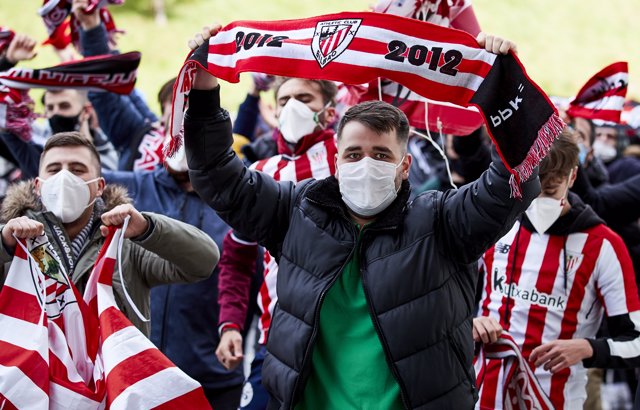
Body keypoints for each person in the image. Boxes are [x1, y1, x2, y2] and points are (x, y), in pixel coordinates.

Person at [184, 24, 539, 408]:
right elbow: (217, 175)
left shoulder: (441, 222)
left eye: (381, 155)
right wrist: (204, 88)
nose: (365, 164)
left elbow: (510, 186)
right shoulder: (295, 212)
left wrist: (505, 95)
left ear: (404, 166)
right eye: (353, 154)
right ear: (335, 161)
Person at [474, 132, 640, 409]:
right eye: (533, 190)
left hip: (557, 399)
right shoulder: (495, 225)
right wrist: (470, 323)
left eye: (550, 190)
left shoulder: (604, 245)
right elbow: (449, 302)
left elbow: (636, 341)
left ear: (572, 177)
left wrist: (589, 348)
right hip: (482, 395)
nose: (539, 200)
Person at [0, 131, 219, 335]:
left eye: (77, 170)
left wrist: (147, 228)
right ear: (38, 186)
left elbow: (204, 260)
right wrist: (4, 244)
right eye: (54, 170)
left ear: (99, 186)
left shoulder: (126, 242)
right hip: (35, 374)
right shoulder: (15, 240)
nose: (65, 178)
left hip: (111, 374)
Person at [215, 76, 338, 409]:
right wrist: (230, 325)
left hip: (345, 342)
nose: (293, 107)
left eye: (304, 97)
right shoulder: (258, 175)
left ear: (329, 112)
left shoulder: (351, 162)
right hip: (276, 339)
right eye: (284, 101)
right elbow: (237, 259)